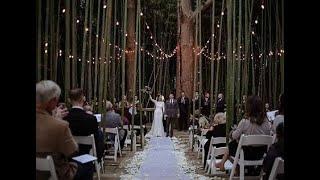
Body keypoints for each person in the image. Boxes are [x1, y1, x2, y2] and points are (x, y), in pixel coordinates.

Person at [36, 80, 87, 180]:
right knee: (84, 167)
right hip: (52, 173)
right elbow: (73, 151)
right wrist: (56, 120)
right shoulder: (59, 125)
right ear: (53, 101)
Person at [216, 95, 271, 174]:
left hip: (245, 155)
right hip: (260, 155)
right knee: (235, 145)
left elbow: (234, 136)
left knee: (232, 145)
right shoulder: (266, 122)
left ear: (249, 107)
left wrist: (232, 132)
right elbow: (268, 135)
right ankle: (227, 165)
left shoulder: (244, 122)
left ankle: (224, 164)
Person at [64, 89, 104, 165]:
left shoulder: (64, 118)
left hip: (69, 154)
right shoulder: (91, 119)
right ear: (84, 99)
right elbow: (96, 139)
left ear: (69, 100)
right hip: (86, 153)